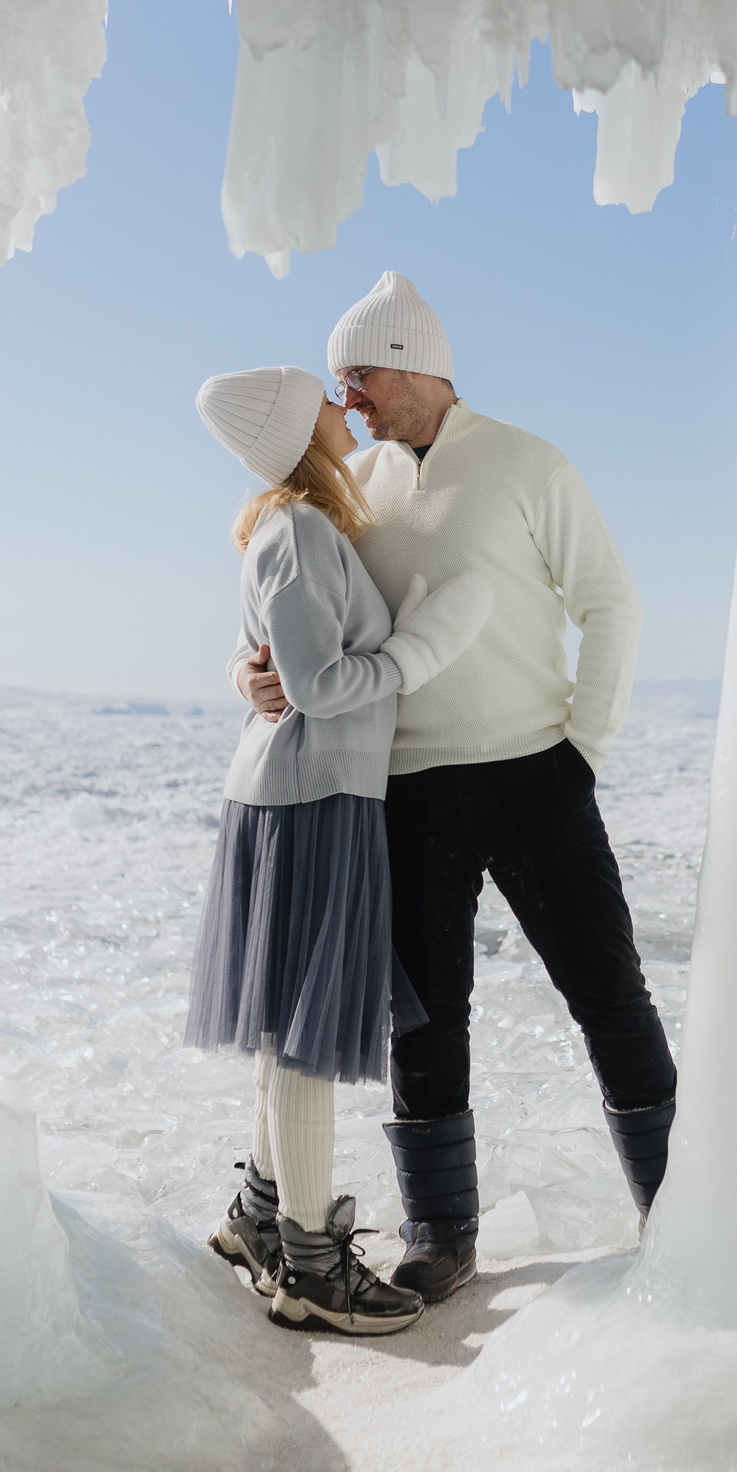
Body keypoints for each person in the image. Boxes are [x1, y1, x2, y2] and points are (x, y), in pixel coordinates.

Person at [234, 273, 677, 1306]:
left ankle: (676, 1205)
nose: (347, 400)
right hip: (403, 787)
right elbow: (287, 612)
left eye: (358, 377)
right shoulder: (351, 488)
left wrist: (582, 751)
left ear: (414, 363)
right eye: (339, 383)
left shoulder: (527, 463)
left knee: (607, 992)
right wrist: (247, 676)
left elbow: (610, 604)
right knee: (424, 1021)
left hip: (536, 774)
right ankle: (439, 1232)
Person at [188, 364, 493, 1336]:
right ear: (294, 427)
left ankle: (259, 1218)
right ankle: (313, 1267)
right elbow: (317, 685)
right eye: (322, 395)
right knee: (305, 1037)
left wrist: (247, 673)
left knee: (291, 1028)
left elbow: (282, 662)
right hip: (310, 796)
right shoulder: (299, 532)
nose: (341, 401)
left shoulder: (298, 529)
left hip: (309, 790)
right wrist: (415, 651)